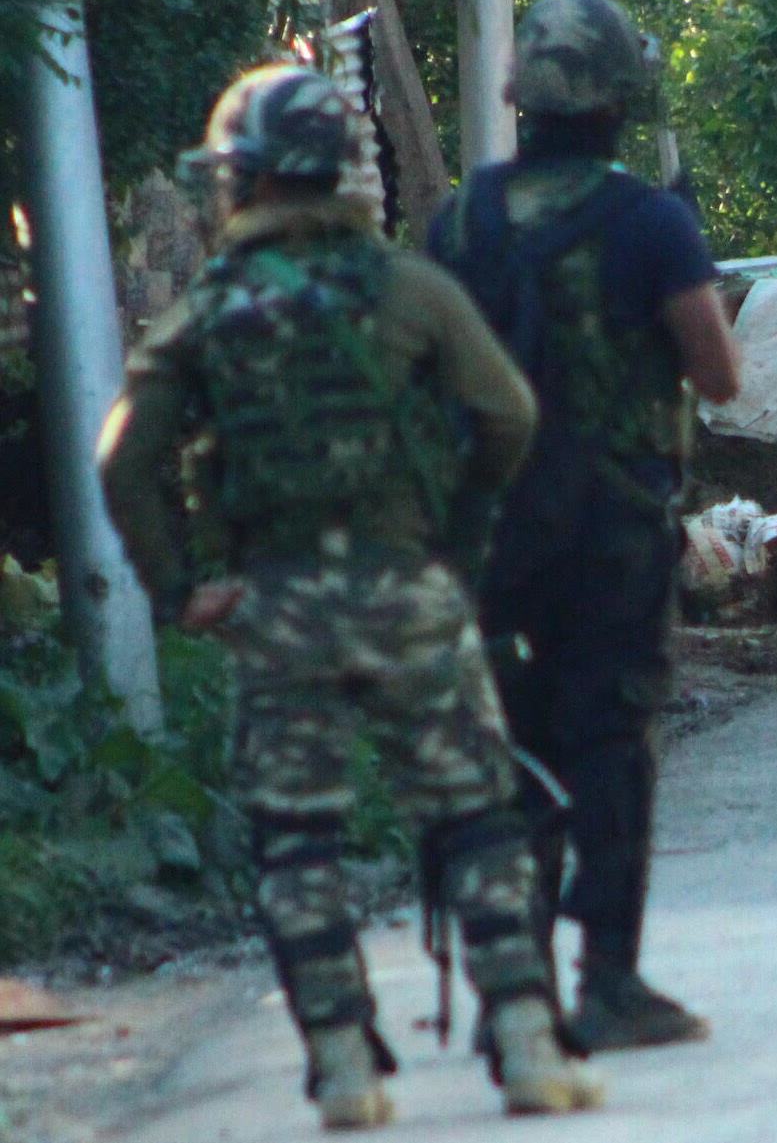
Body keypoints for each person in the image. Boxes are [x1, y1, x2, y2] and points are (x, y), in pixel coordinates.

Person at [97, 64, 601, 1129]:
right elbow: (508, 417)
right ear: (342, 170)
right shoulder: (410, 290)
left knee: (298, 841)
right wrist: (452, 543)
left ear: (241, 179)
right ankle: (524, 1047)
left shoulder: (206, 314)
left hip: (275, 612)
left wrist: (182, 587)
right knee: (475, 817)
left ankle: (341, 1067)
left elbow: (126, 463)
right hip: (410, 596)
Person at [428, 0, 742, 1053]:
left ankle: (512, 992)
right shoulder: (651, 219)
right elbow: (721, 376)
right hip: (613, 533)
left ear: (525, 99)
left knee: (508, 747)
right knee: (610, 740)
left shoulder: (459, 217)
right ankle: (608, 980)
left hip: (489, 536)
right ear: (616, 100)